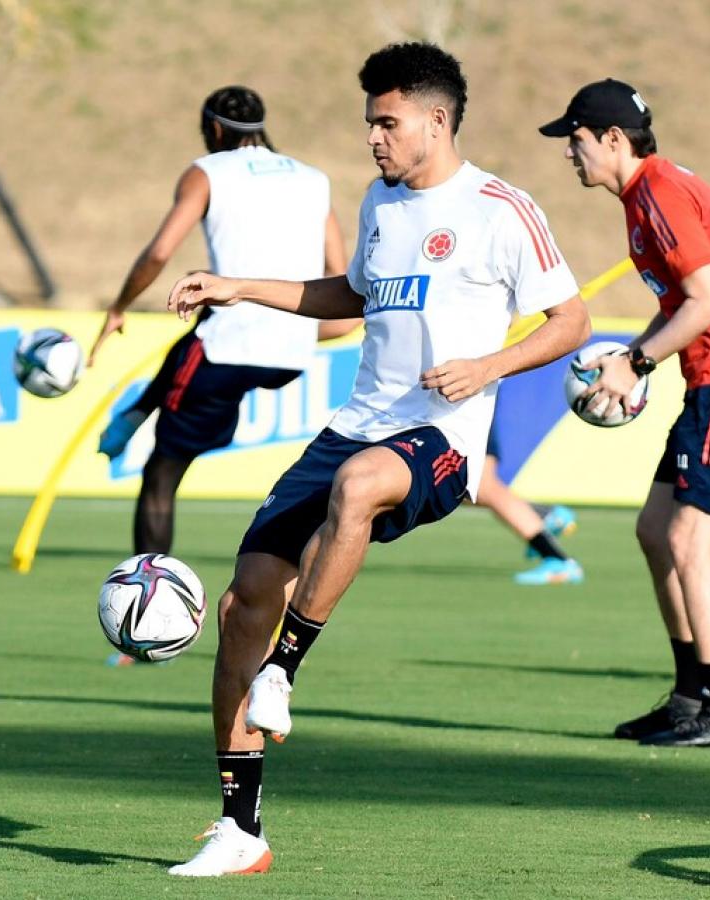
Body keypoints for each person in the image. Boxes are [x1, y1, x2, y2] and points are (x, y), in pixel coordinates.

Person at [164, 42, 590, 877]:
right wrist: (238, 285)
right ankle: (239, 831)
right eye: (369, 123)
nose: (373, 138)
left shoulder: (502, 208)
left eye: (387, 122)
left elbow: (570, 322)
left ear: (438, 120)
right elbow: (351, 295)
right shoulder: (380, 201)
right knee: (244, 602)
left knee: (359, 489)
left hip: (445, 437)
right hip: (358, 420)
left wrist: (488, 367)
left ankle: (285, 672)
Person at [539, 79, 710, 747]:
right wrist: (631, 352)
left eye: (577, 138)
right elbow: (684, 298)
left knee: (691, 541)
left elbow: (708, 302)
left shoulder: (659, 192)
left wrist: (636, 364)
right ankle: (689, 697)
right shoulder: (645, 193)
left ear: (614, 140)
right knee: (656, 531)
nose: (570, 151)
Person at [88, 85, 356, 563]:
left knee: (161, 473)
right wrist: (293, 331)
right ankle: (135, 414)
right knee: (194, 340)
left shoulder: (206, 172)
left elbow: (159, 252)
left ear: (213, 129)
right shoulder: (313, 179)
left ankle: (146, 602)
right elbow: (342, 285)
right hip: (290, 355)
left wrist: (118, 307)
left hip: (228, 348)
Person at [476, 396, 583, 585]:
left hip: (461, 396)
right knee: (462, 486)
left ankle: (557, 559)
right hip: (450, 396)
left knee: (479, 486)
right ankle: (542, 515)